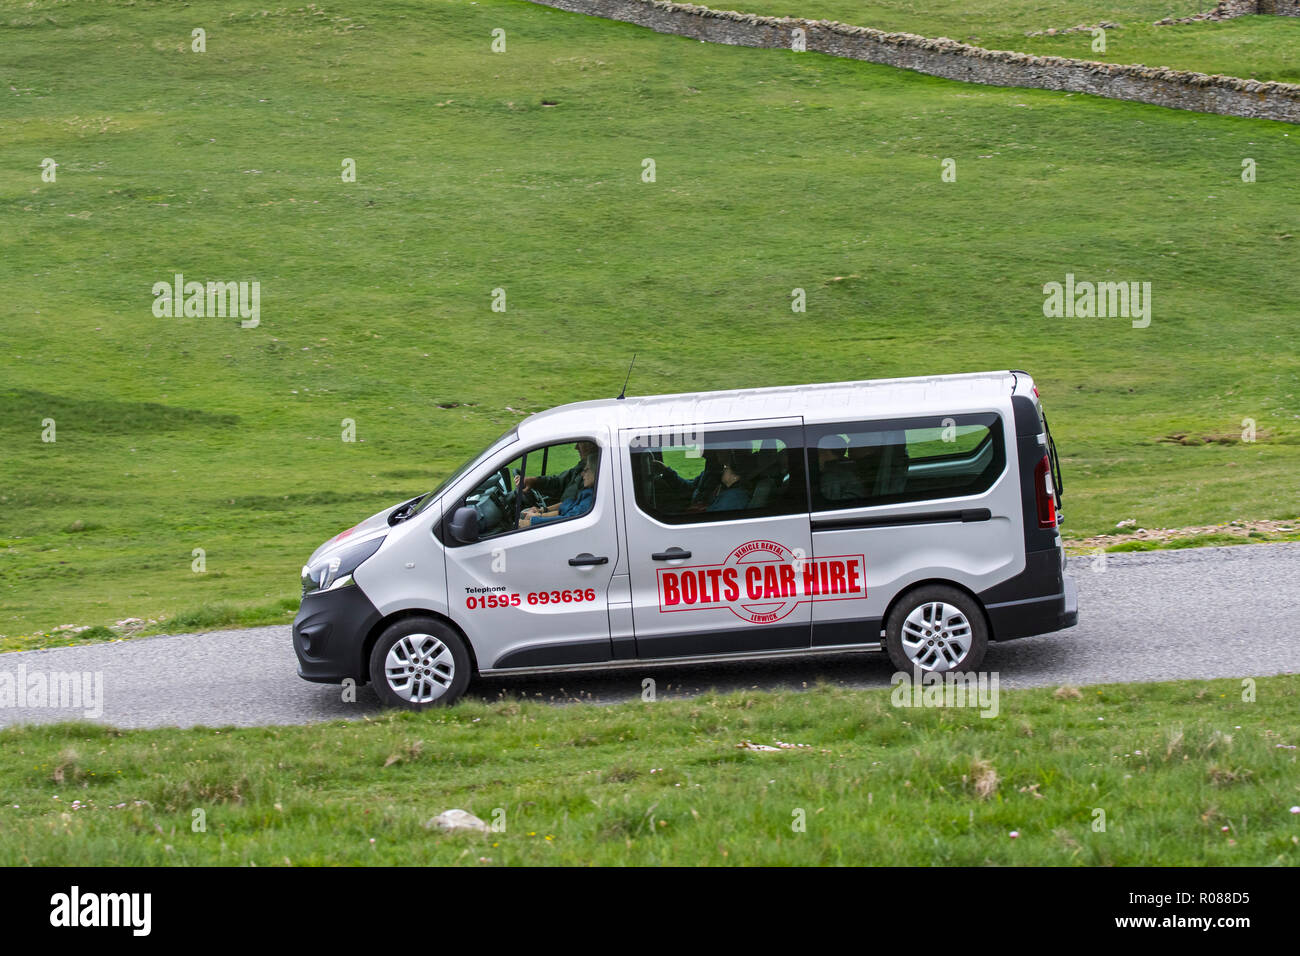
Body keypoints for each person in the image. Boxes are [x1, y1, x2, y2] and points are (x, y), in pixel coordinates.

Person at [520, 454, 597, 528]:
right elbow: (566, 507)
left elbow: (568, 519)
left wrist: (531, 522)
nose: (582, 474)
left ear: (596, 472)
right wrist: (541, 511)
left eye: (586, 470)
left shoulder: (590, 499)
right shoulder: (587, 492)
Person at [522, 440, 595, 512]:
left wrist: (535, 518)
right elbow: (560, 483)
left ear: (591, 446)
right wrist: (534, 481)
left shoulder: (589, 492)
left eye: (581, 444)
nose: (576, 448)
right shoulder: (583, 466)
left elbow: (569, 512)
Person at [818, 434, 867, 502]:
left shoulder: (829, 478)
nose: (818, 458)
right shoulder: (851, 471)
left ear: (827, 452)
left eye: (819, 452)